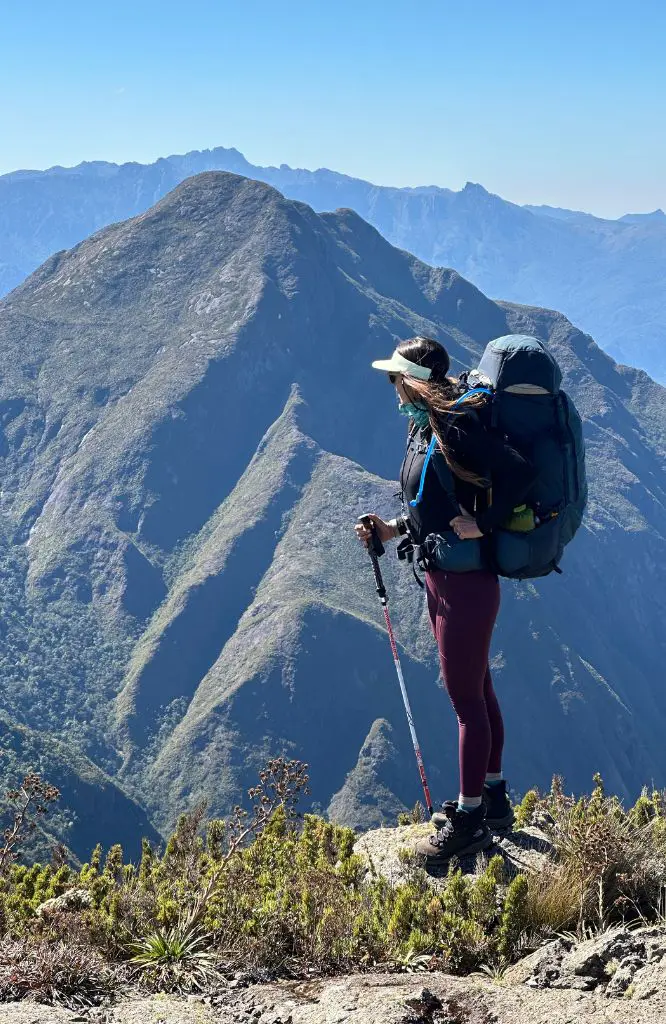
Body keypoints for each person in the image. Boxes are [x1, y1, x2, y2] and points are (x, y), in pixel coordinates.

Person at [355, 336, 537, 863]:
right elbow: (429, 506)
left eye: (395, 378)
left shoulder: (456, 424)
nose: (390, 388)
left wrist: (484, 522)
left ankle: (470, 818)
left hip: (467, 584)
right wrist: (389, 531)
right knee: (477, 689)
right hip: (442, 576)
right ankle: (495, 801)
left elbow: (520, 474)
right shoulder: (422, 427)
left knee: (465, 700)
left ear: (411, 380)